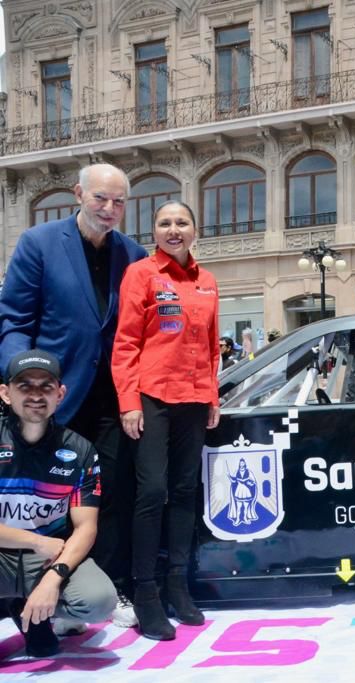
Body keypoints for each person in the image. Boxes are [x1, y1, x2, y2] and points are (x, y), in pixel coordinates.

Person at [0, 163, 146, 627]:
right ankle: (44, 595)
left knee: (111, 495)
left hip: (114, 400)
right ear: (79, 194)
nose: (109, 208)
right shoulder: (39, 242)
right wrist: (22, 379)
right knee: (49, 496)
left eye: (119, 201)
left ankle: (107, 589)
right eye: (101, 198)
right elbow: (15, 320)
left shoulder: (134, 255)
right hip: (54, 396)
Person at [111, 200, 220, 641]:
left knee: (185, 490)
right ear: (153, 231)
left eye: (182, 222)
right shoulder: (141, 274)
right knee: (152, 491)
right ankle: (146, 592)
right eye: (164, 223)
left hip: (194, 398)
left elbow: (211, 346)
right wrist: (129, 402)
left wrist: (211, 396)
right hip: (152, 396)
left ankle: (178, 584)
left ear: (195, 229)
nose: (173, 229)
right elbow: (125, 343)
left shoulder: (207, 281)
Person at [0, 350, 116, 656]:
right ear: (6, 393)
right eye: (25, 386)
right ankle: (15, 603)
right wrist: (36, 541)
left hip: (47, 560)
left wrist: (52, 580)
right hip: (12, 553)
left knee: (99, 601)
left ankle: (31, 607)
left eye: (46, 386)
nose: (36, 395)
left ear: (60, 394)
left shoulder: (80, 450)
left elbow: (86, 527)